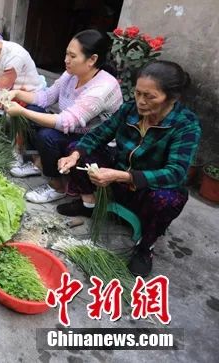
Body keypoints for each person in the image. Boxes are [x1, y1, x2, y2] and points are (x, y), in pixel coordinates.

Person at [57, 61, 201, 276]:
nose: (141, 102)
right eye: (137, 93)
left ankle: (145, 247)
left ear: (172, 97)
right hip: (118, 176)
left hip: (147, 188)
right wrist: (74, 155)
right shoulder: (129, 110)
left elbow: (176, 172)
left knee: (169, 199)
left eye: (150, 96)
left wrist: (123, 176)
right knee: (77, 151)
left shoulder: (185, 124)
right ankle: (88, 205)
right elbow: (99, 134)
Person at [0, 29, 123, 204]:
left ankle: (56, 186)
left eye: (72, 56)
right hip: (73, 128)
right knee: (33, 111)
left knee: (47, 136)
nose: (66, 60)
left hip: (95, 141)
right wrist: (16, 94)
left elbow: (65, 122)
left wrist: (22, 111)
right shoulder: (70, 75)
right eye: (66, 54)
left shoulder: (102, 88)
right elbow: (46, 98)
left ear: (92, 60)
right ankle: (38, 164)